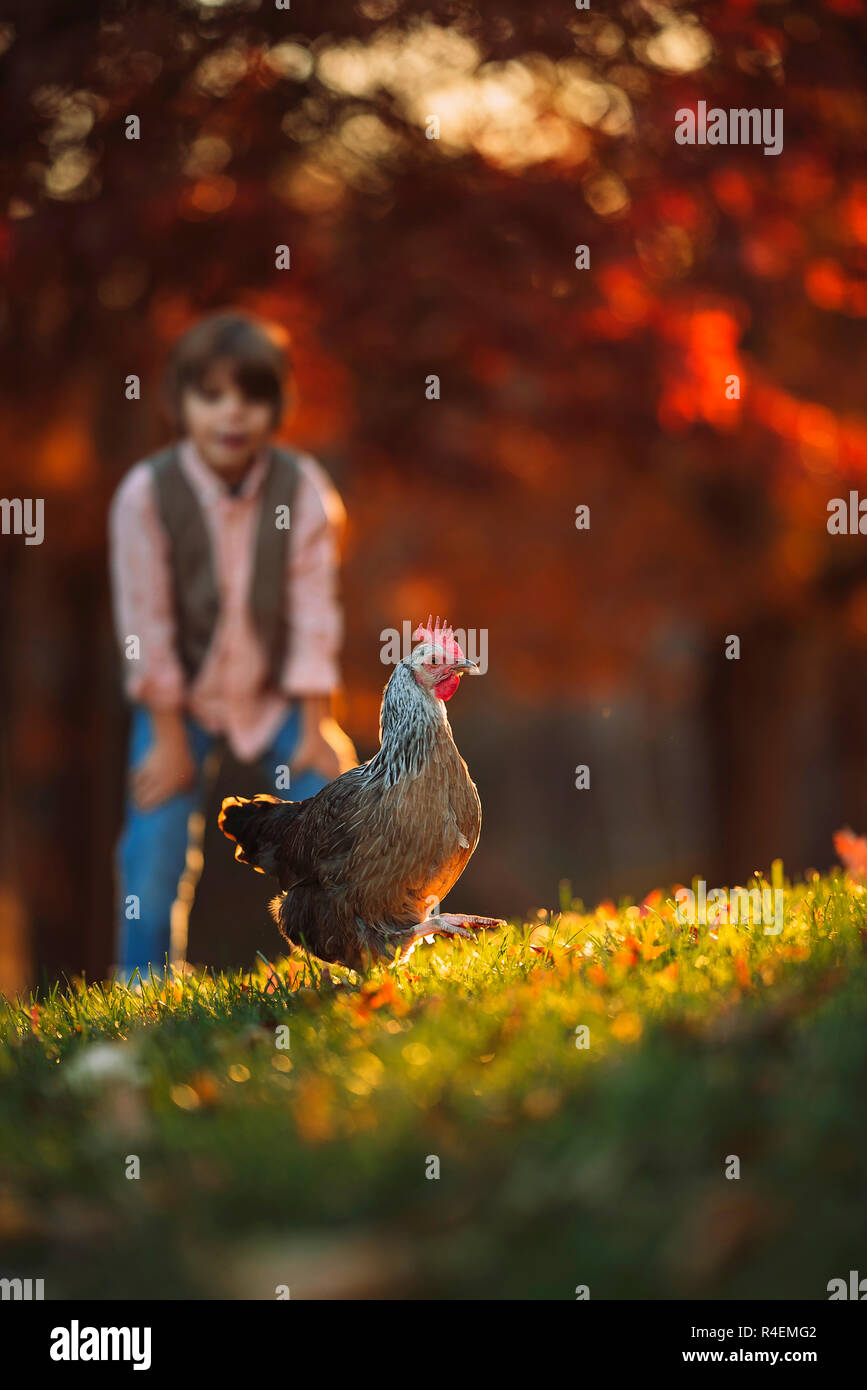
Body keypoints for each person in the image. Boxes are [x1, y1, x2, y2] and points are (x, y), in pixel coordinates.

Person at [109, 311, 356, 977]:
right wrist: (164, 734)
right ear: (179, 402)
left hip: (278, 694)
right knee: (155, 836)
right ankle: (143, 983)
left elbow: (313, 615)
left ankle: (350, 954)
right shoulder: (145, 497)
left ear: (277, 405)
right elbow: (145, 623)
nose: (232, 414)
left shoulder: (301, 491)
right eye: (211, 395)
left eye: (251, 396)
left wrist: (315, 722)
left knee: (334, 797)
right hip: (179, 698)